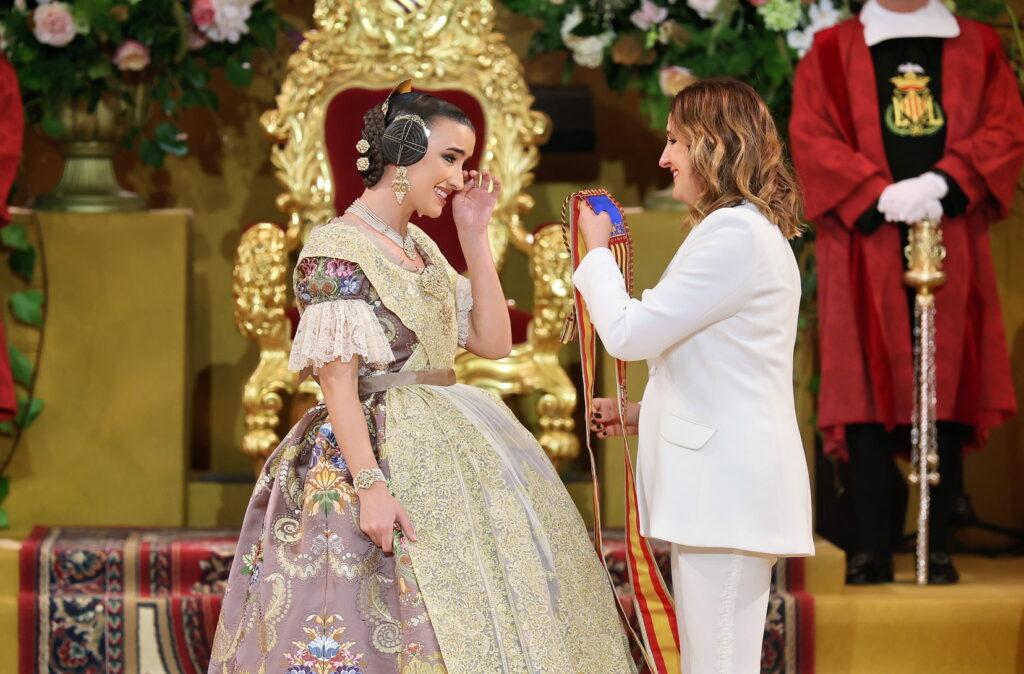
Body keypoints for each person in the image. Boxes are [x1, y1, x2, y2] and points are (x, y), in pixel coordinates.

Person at [209, 86, 634, 673]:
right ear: (402, 152)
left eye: (464, 162)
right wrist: (370, 486)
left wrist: (474, 234)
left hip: (452, 438)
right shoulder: (335, 250)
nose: (459, 178)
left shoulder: (421, 248)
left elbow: (493, 341)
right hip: (373, 450)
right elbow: (338, 383)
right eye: (450, 159)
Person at [573, 79, 814, 674]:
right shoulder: (740, 230)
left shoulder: (735, 234)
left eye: (675, 141)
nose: (664, 157)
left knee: (718, 664)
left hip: (725, 493)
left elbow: (629, 333)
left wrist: (596, 253)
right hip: (724, 489)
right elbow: (724, 365)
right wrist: (644, 412)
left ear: (714, 145)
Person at [789, 0, 1024, 584]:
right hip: (863, 240)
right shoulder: (832, 51)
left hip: (950, 231)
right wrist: (875, 192)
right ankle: (871, 546)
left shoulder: (978, 45)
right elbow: (812, 135)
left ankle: (936, 544)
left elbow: (1005, 126)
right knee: (864, 384)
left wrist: (945, 182)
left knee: (944, 378)